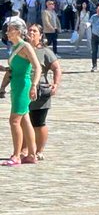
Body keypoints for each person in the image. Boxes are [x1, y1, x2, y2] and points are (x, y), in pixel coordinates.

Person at [3, 18, 42, 165]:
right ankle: (31, 154)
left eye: (10, 30)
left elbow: (37, 67)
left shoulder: (25, 46)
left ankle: (16, 155)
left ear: (18, 31)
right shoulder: (14, 47)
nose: (7, 32)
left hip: (24, 86)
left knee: (14, 121)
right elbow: (15, 68)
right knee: (25, 120)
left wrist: (34, 85)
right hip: (16, 86)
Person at [25, 23, 60, 160]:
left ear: (40, 35)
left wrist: (55, 84)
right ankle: (25, 149)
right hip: (23, 89)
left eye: (34, 31)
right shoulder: (23, 48)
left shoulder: (45, 51)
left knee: (38, 122)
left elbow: (57, 68)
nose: (31, 33)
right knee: (24, 121)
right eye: (30, 30)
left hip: (40, 91)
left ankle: (39, 150)